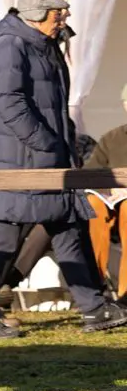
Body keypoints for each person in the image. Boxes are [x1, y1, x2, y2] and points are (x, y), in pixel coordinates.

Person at [0, 0, 127, 337]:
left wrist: (63, 142)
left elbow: (53, 105)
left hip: (48, 160)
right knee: (4, 238)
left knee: (68, 228)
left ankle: (94, 309)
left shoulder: (43, 45)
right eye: (59, 14)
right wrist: (45, 143)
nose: (64, 19)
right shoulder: (12, 46)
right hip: (23, 163)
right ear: (38, 15)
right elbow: (9, 101)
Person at [83, 83, 127, 299]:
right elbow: (90, 173)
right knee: (94, 207)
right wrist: (107, 189)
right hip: (110, 199)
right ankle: (94, 289)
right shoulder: (112, 138)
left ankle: (125, 291)